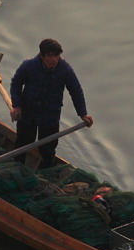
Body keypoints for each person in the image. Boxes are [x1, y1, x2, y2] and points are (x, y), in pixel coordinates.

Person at [9, 38, 94, 168]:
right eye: (50, 55)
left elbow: (76, 91)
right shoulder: (28, 66)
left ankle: (47, 173)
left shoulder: (65, 70)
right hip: (27, 114)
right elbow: (16, 84)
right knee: (22, 145)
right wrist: (16, 106)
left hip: (50, 117)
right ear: (42, 55)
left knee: (48, 150)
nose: (54, 59)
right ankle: (17, 169)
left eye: (57, 55)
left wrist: (83, 114)